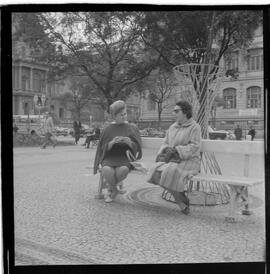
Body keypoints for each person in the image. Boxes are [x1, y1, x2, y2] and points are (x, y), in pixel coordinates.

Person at [147, 100, 201, 215]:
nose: (174, 113)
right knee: (156, 172)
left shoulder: (195, 127)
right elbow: (165, 143)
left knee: (169, 171)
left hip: (189, 160)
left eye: (176, 111)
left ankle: (181, 203)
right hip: (171, 159)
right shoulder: (172, 127)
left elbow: (195, 146)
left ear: (185, 112)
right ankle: (181, 197)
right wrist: (166, 149)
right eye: (173, 111)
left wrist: (177, 150)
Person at [93, 100, 142, 203]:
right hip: (110, 157)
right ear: (114, 116)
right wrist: (111, 144)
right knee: (106, 170)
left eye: (125, 114)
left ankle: (111, 189)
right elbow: (102, 148)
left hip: (124, 158)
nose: (124, 116)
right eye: (121, 115)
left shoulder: (132, 127)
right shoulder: (107, 129)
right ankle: (114, 190)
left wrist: (129, 143)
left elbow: (137, 147)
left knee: (123, 170)